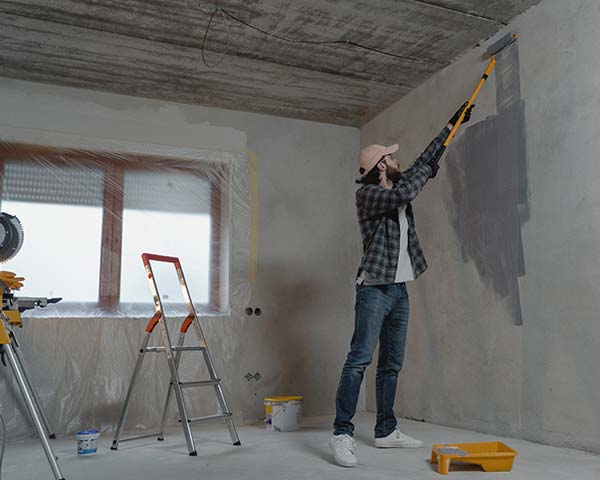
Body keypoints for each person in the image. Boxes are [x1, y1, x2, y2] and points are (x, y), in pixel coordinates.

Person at [329, 103, 474, 467]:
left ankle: (385, 431)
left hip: (398, 289)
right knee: (359, 359)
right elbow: (402, 194)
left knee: (391, 363)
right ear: (381, 166)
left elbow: (425, 160)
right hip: (374, 288)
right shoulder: (368, 195)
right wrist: (425, 171)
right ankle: (342, 434)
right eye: (391, 159)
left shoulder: (397, 181)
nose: (397, 162)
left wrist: (451, 123)